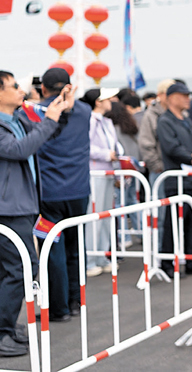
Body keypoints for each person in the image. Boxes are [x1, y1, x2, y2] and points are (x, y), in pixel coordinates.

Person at [0, 71, 73, 357]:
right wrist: (51, 119)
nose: (21, 90)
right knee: (19, 268)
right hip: (8, 210)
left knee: (11, 269)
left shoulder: (16, 119)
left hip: (22, 206)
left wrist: (60, 112)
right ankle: (3, 330)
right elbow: (21, 150)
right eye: (14, 86)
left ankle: (5, 326)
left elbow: (44, 133)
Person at [33, 68, 91, 321]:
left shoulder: (36, 112)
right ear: (69, 87)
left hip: (49, 194)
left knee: (51, 249)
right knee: (75, 248)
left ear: (43, 88)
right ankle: (76, 301)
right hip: (79, 191)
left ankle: (59, 308)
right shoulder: (85, 111)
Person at [156, 82, 192, 276]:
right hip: (176, 181)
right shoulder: (165, 121)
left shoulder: (185, 119)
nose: (188, 98)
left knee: (191, 224)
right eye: (183, 95)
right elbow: (171, 148)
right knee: (172, 225)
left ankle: (191, 261)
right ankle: (168, 264)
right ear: (170, 98)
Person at [83, 88, 120, 276]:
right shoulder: (90, 120)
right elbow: (86, 146)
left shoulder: (107, 122)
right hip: (95, 172)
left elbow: (114, 144)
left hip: (108, 172)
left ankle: (102, 255)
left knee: (105, 215)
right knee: (94, 216)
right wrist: (107, 154)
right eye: (107, 98)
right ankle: (90, 259)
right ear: (98, 101)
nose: (111, 101)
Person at [107, 102, 141, 245]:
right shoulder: (131, 126)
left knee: (120, 204)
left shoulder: (112, 129)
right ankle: (140, 233)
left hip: (121, 170)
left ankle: (124, 238)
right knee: (132, 201)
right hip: (134, 168)